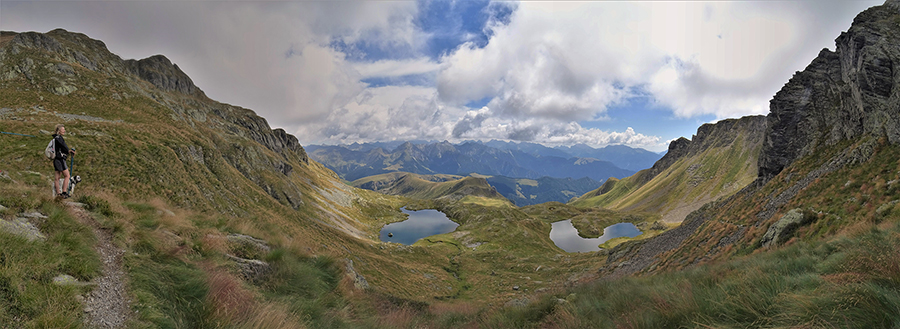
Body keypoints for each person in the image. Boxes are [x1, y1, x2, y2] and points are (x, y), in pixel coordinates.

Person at [52, 124, 75, 198]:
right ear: (59, 130)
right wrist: (69, 151)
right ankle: (64, 192)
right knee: (67, 176)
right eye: (63, 129)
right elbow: (64, 147)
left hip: (56, 159)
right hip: (60, 159)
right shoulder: (59, 138)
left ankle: (58, 194)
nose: (64, 131)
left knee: (57, 178)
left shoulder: (55, 138)